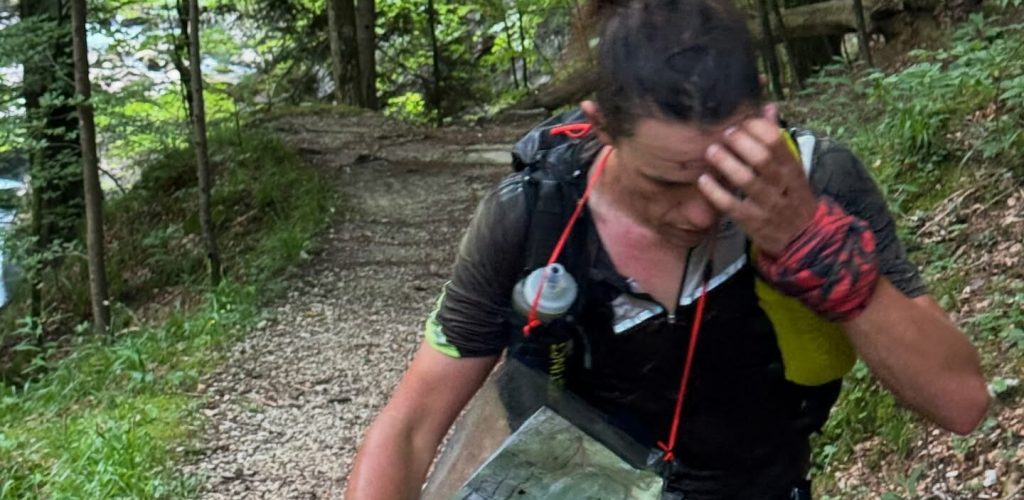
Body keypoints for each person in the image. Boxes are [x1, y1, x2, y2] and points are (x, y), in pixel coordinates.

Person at [345, 0, 990, 498]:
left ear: (764, 119)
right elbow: (411, 426)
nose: (701, 211)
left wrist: (812, 245)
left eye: (726, 173)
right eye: (668, 180)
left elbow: (961, 401)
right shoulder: (537, 212)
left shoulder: (820, 185)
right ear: (602, 129)